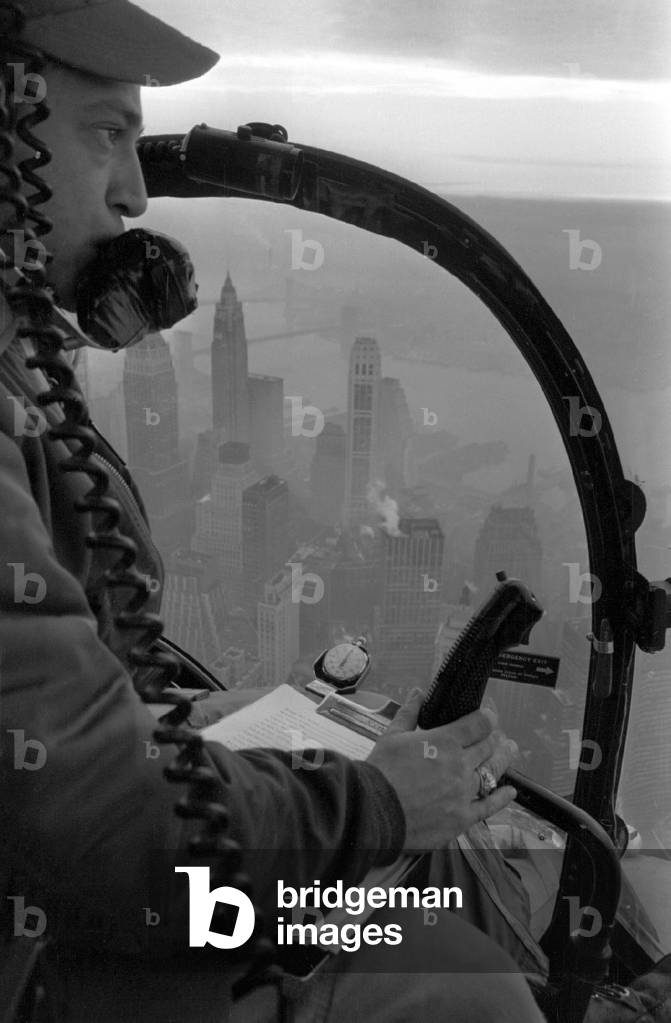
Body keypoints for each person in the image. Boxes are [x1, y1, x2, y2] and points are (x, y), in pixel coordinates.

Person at [0, 3, 547, 1021]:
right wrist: (382, 802)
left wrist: (181, 720)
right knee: (461, 981)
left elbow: (51, 735)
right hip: (46, 958)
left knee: (429, 850)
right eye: (105, 135)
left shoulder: (19, 383)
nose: (133, 193)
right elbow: (99, 829)